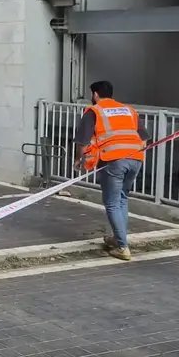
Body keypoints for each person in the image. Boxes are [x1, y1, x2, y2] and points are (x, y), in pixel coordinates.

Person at [75, 80, 150, 262]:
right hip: (136, 158)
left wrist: (79, 159)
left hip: (114, 160)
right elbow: (144, 137)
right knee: (122, 199)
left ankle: (123, 247)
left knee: (112, 203)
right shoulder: (128, 110)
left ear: (95, 94)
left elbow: (83, 141)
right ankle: (118, 239)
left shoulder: (94, 111)